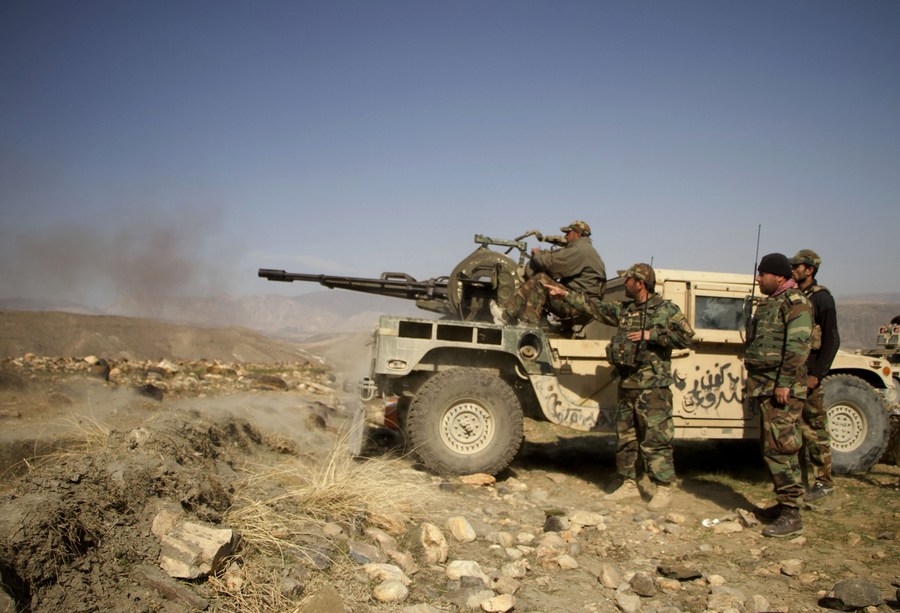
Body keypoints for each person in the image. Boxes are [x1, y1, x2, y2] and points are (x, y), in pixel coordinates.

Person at [546, 263, 695, 510]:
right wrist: (565, 294)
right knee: (626, 438)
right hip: (627, 384)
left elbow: (687, 337)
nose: (625, 284)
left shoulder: (666, 310)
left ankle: (663, 488)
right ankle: (628, 484)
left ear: (640, 283)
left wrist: (651, 336)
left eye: (628, 280)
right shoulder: (625, 310)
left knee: (655, 438)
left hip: (653, 388)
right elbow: (594, 307)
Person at [745, 253, 813, 537]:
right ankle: (785, 503)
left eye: (763, 274)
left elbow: (798, 347)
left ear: (780, 276)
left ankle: (791, 513)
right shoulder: (771, 302)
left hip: (782, 388)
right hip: (766, 385)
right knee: (773, 447)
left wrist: (784, 383)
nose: (759, 278)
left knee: (782, 447)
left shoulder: (795, 303)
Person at [790, 249, 840, 502]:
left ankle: (824, 482)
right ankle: (798, 482)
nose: (793, 270)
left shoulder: (821, 298)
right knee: (794, 430)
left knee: (815, 429)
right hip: (793, 373)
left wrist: (817, 374)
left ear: (809, 270)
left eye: (796, 266)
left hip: (809, 375)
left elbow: (831, 339)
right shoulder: (795, 296)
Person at [491, 220, 606, 327]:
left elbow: (551, 264)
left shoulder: (580, 250)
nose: (566, 236)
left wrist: (537, 254)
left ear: (578, 234)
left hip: (577, 306)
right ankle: (510, 316)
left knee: (541, 279)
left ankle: (522, 322)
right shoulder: (588, 250)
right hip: (585, 306)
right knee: (546, 283)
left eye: (568, 233)